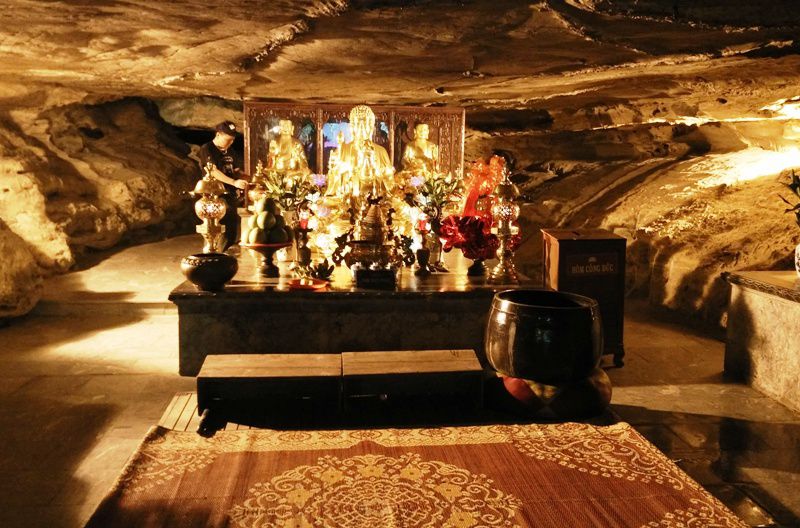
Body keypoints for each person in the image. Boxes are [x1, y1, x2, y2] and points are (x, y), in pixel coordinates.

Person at [197, 121, 248, 251]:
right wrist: (233, 182)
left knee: (231, 228)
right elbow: (214, 171)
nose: (230, 143)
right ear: (218, 134)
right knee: (217, 229)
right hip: (214, 195)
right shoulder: (207, 149)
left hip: (230, 194)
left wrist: (245, 178)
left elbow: (235, 169)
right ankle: (214, 253)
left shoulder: (230, 150)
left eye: (232, 140)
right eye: (228, 139)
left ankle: (225, 253)